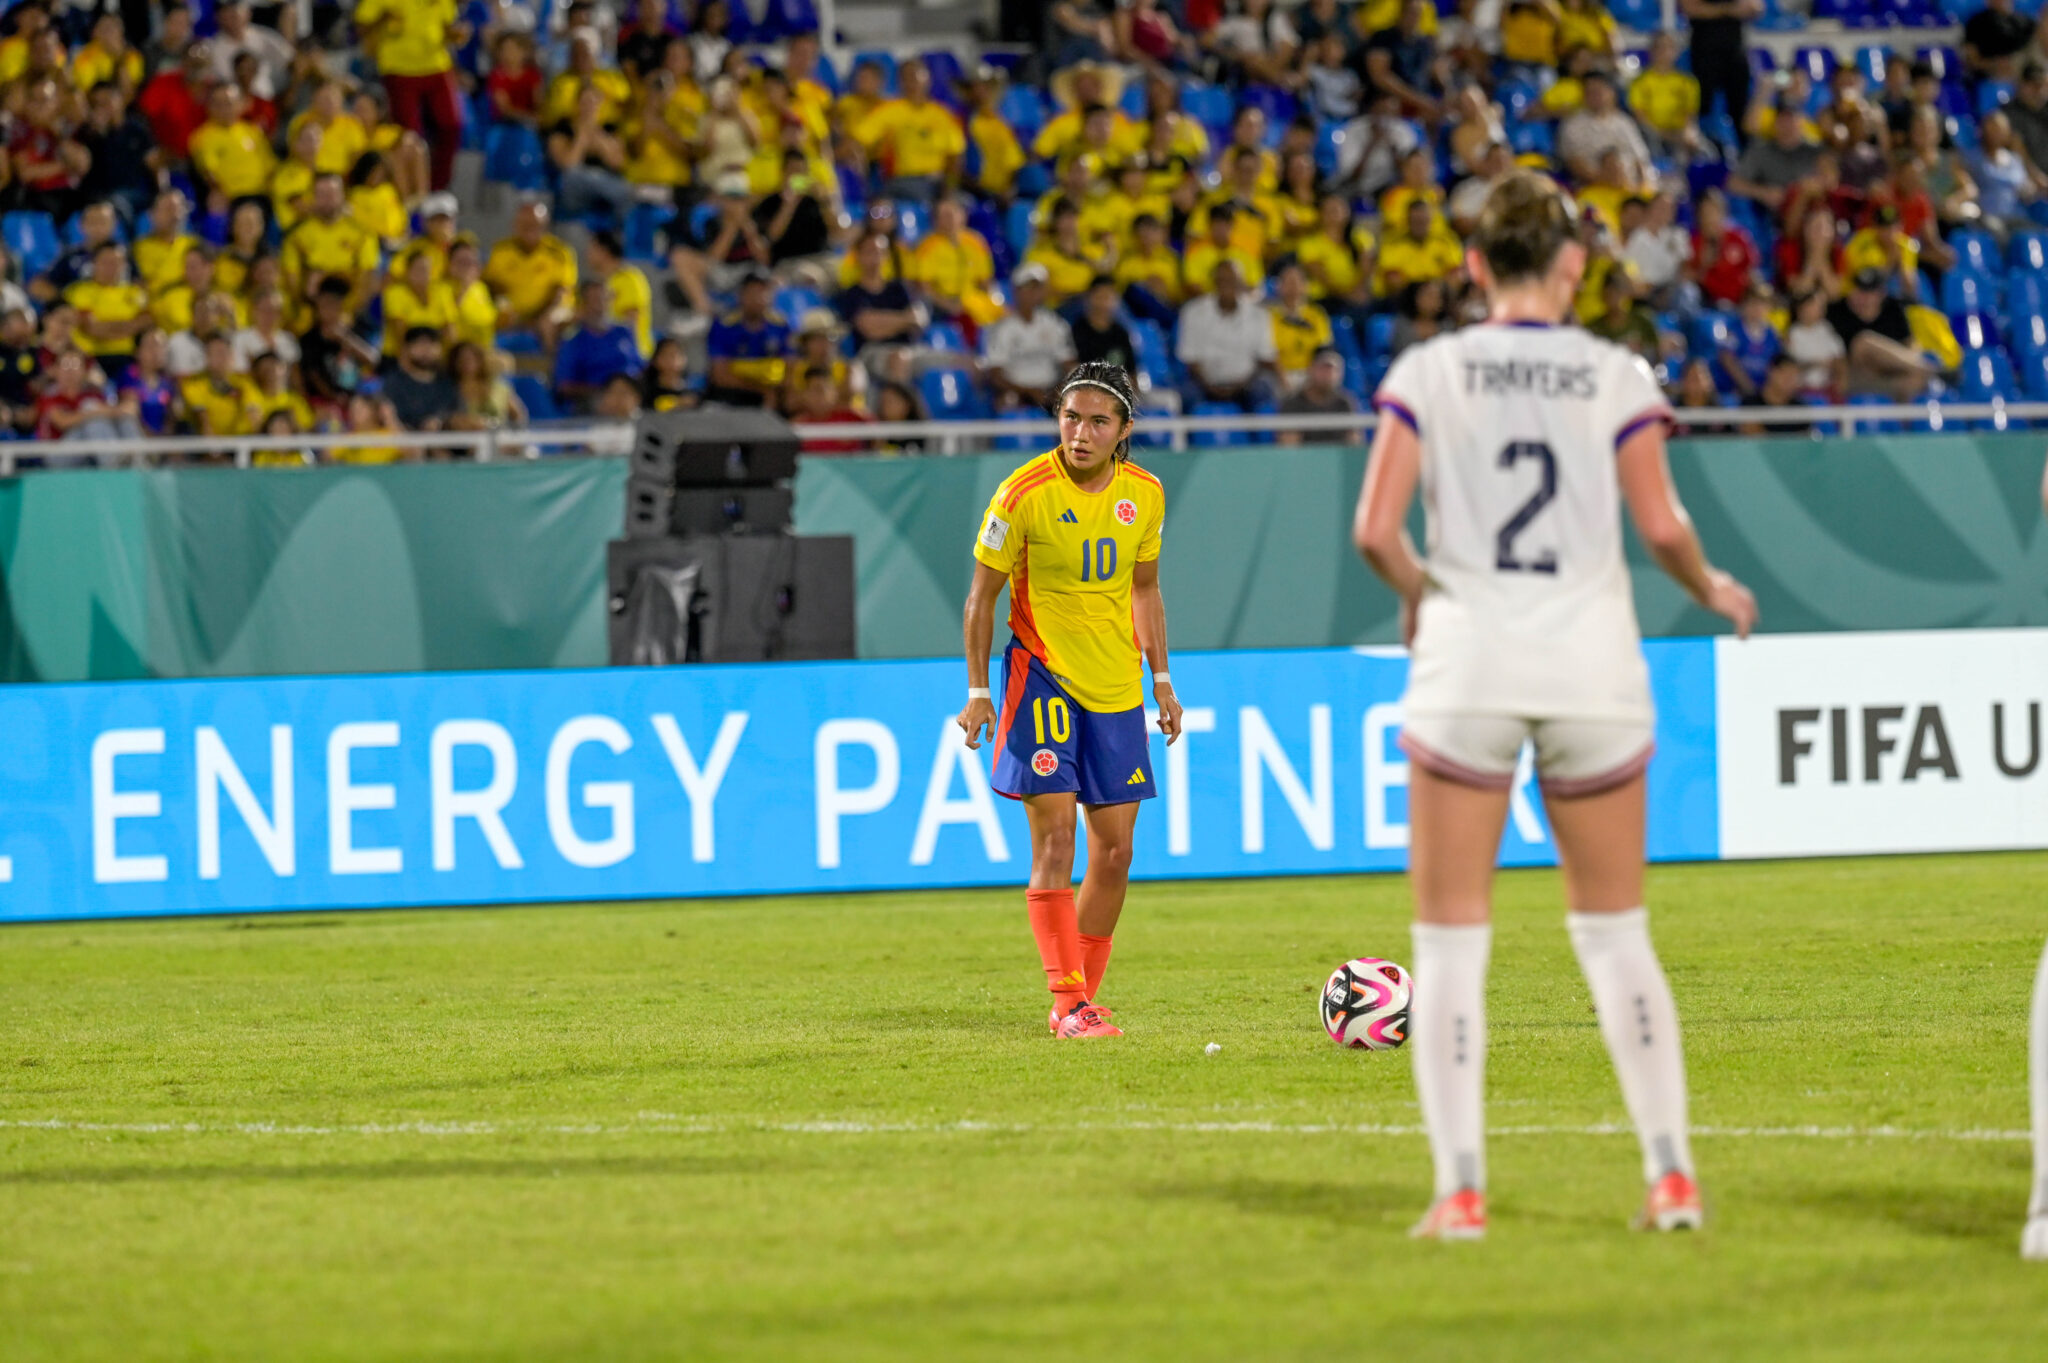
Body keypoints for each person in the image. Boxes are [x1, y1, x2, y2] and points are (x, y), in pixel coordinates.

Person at [1351, 170, 1758, 1240]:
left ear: (1475, 265)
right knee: (1615, 933)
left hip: (1469, 662)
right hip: (1591, 666)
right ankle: (1669, 1178)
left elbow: (1372, 530)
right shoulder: (1613, 372)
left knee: (1447, 947)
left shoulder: (1427, 370)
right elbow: (1661, 525)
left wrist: (1419, 600)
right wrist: (1711, 589)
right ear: (1571, 266)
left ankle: (1461, 1193)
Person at [957, 362, 1182, 1040]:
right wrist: (976, 690)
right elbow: (981, 598)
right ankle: (1065, 1000)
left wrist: (1162, 678)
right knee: (1056, 837)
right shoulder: (1021, 492)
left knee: (1114, 853)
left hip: (1116, 685)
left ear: (1124, 431)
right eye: (1070, 417)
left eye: (1097, 421)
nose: (1080, 433)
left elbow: (1145, 589)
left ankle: (1083, 999)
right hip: (1042, 678)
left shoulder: (1144, 493)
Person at [1176, 259, 1279, 411]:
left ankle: (1260, 435)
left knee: (1263, 390)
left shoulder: (1259, 315)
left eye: (1231, 280)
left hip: (1246, 384)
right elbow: (1191, 360)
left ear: (1240, 283)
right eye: (1221, 280)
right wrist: (1210, 387)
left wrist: (1239, 386)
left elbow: (1262, 359)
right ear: (1214, 282)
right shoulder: (1193, 312)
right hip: (1204, 384)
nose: (1226, 285)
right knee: (1186, 394)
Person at [1828, 267, 1939, 400]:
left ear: (1881, 293)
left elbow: (1909, 344)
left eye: (1869, 291)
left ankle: (1924, 372)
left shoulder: (1893, 308)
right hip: (1854, 378)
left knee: (1918, 379)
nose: (1862, 297)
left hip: (1887, 378)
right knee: (1863, 341)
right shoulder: (1838, 310)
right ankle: (1932, 370)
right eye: (1859, 289)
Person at [982, 263, 1076, 411]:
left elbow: (1068, 363)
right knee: (1007, 401)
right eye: (1028, 288)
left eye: (1037, 288)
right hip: (1017, 392)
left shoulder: (1055, 323)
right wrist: (1027, 391)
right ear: (1016, 291)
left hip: (1051, 390)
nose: (1033, 293)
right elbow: (995, 374)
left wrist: (1063, 388)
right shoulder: (1002, 328)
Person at [553, 280, 645, 413]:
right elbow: (564, 386)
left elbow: (640, 366)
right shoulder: (573, 341)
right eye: (594, 299)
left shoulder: (624, 332)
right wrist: (607, 391)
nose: (601, 304)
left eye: (604, 298)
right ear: (583, 304)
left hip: (633, 394)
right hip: (594, 399)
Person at [705, 270, 793, 407]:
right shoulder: (724, 326)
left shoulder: (781, 326)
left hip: (774, 394)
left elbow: (790, 368)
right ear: (741, 295)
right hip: (734, 396)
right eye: (752, 292)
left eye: (763, 292)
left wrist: (775, 392)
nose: (758, 298)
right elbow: (720, 376)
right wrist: (761, 391)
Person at [1681, 0, 1756, 151]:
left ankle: (1746, 157)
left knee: (1740, 109)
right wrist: (1729, 9)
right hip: (1704, 53)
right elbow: (1691, 8)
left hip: (1734, 52)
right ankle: (1703, 153)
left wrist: (1713, 10)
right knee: (1701, 108)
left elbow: (1754, 7)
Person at [1277, 347, 1361, 444]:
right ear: (1311, 369)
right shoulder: (1293, 403)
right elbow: (1289, 448)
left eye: (1333, 370)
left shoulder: (1345, 403)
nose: (1328, 375)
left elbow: (1354, 443)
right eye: (1323, 369)